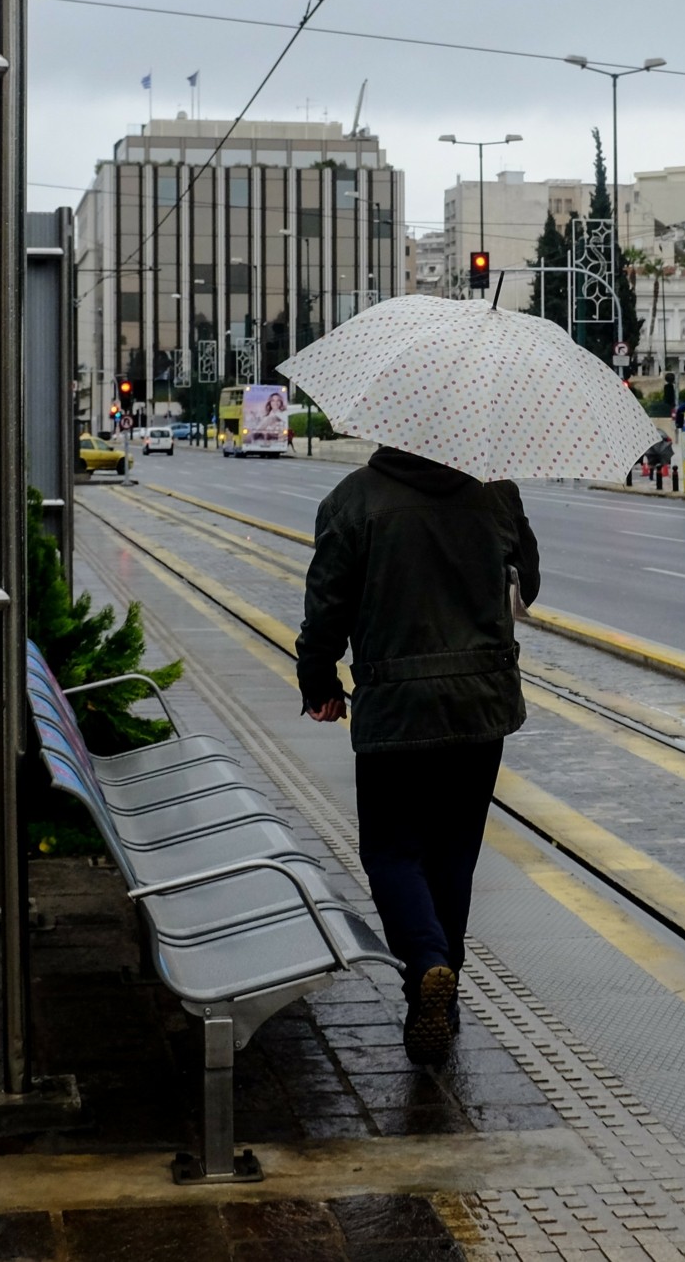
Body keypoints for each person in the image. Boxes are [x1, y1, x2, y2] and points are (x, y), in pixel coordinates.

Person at [295, 445, 540, 1066]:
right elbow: (528, 585)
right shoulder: (497, 492)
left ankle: (428, 967)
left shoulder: (353, 500)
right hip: (480, 707)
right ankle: (440, 997)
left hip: (396, 710)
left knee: (392, 851)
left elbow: (327, 606)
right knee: (454, 854)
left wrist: (318, 681)